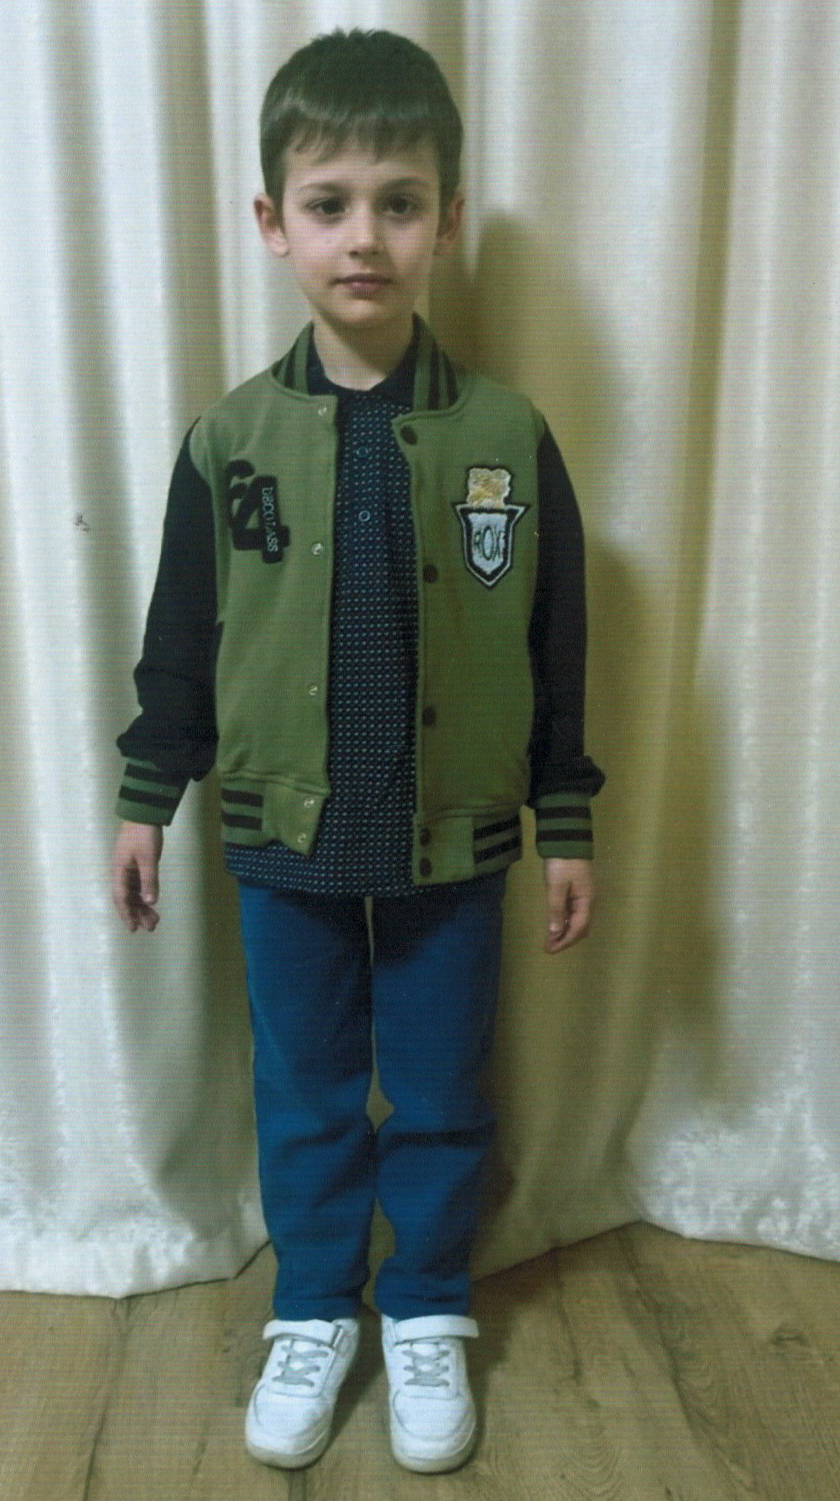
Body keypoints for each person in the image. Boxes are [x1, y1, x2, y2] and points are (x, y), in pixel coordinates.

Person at [110, 26, 605, 1476]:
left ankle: (430, 1303)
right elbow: (181, 636)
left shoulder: (508, 436)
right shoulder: (230, 441)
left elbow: (558, 645)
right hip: (285, 833)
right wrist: (147, 794)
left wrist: (566, 818)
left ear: (447, 220)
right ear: (275, 224)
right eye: (329, 204)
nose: (365, 236)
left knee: (443, 1086)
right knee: (308, 1087)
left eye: (400, 201)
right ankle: (318, 1303)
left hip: (456, 830)